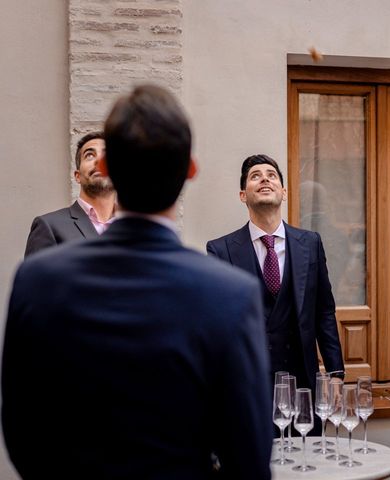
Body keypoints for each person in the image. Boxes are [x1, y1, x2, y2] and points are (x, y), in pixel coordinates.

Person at [2, 85, 272, 480]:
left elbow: (22, 435)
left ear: (109, 169)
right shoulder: (230, 294)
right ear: (189, 170)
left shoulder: (38, 279)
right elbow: (247, 458)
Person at [206, 154, 345, 394]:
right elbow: (215, 323)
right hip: (246, 382)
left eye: (271, 175)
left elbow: (324, 311)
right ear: (243, 195)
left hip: (302, 381)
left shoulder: (310, 244)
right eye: (255, 176)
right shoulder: (220, 250)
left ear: (284, 192)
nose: (264, 180)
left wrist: (335, 374)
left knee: (305, 433)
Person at [24, 131, 117, 257]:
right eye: (89, 155)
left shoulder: (137, 227)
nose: (99, 160)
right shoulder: (49, 226)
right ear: (77, 176)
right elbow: (35, 277)